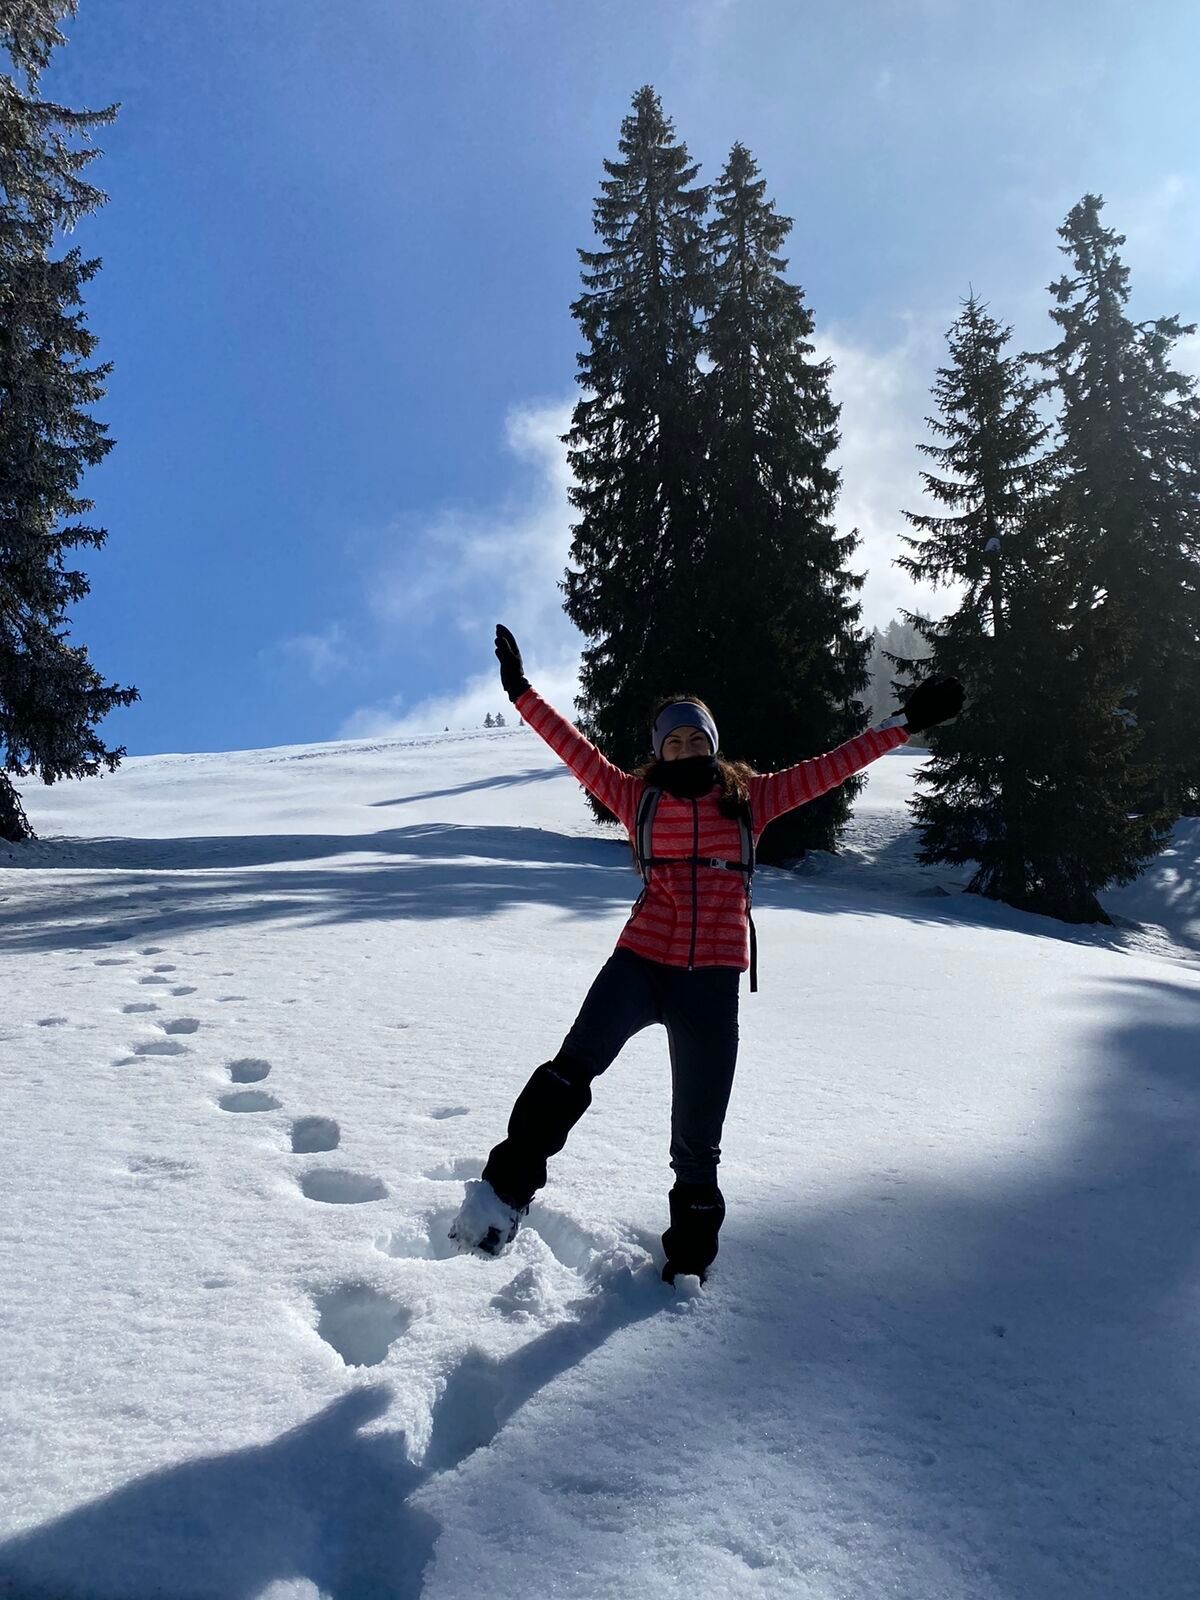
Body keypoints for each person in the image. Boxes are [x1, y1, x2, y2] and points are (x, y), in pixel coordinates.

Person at [449, 624, 964, 1282]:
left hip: (711, 985)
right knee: (567, 1074)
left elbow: (833, 765)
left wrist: (904, 724)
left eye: (696, 739)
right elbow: (574, 750)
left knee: (697, 1139)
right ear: (659, 751)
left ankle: (687, 1269)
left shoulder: (753, 799)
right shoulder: (637, 798)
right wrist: (522, 692)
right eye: (674, 740)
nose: (686, 747)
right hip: (638, 966)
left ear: (713, 745)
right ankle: (495, 1205)